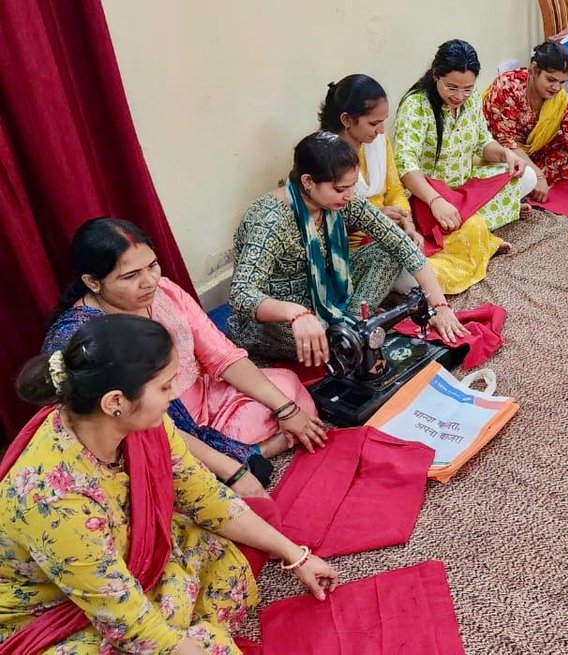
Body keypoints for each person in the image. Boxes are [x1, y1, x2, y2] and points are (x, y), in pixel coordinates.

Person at [0, 315, 339, 653]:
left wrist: (297, 557)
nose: (174, 394)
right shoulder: (53, 497)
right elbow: (126, 623)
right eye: (164, 387)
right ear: (115, 402)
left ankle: (185, 622)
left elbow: (204, 495)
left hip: (127, 563)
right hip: (56, 608)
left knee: (235, 547)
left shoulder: (142, 424)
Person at [42, 218, 323, 490]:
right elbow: (121, 427)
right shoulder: (86, 336)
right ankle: (249, 452)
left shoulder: (165, 291)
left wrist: (286, 409)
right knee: (160, 472)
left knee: (287, 389)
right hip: (154, 423)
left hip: (206, 397)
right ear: (92, 282)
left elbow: (222, 356)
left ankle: (244, 453)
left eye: (152, 266)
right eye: (131, 276)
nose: (149, 281)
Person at [229, 131, 468, 366]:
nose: (348, 196)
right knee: (320, 337)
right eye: (340, 189)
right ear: (308, 182)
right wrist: (296, 314)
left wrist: (440, 306)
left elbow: (399, 243)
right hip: (282, 311)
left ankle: (353, 322)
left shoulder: (341, 200)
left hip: (328, 287)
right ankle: (345, 331)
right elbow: (241, 293)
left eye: (352, 186)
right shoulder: (270, 220)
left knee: (389, 252)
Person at [394, 40, 535, 294]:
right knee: (410, 280)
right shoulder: (416, 105)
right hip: (429, 199)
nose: (460, 96)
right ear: (436, 75)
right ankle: (478, 231)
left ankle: (472, 227)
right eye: (452, 88)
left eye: (468, 89)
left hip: (464, 189)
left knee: (527, 177)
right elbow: (406, 167)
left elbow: (483, 144)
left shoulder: (470, 103)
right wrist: (436, 200)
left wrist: (506, 155)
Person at [483, 41, 568, 214]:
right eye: (550, 79)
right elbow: (506, 142)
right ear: (534, 70)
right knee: (505, 173)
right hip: (500, 155)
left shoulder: (560, 99)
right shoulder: (508, 87)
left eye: (562, 82)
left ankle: (528, 183)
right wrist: (538, 175)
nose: (556, 88)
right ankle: (526, 182)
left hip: (531, 154)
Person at [321, 74, 423, 251]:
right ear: (346, 120)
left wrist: (408, 226)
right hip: (351, 243)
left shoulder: (380, 142)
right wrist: (373, 218)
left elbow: (395, 191)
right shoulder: (323, 154)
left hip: (389, 228)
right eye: (374, 123)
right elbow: (323, 218)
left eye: (382, 121)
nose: (381, 130)